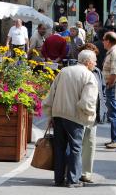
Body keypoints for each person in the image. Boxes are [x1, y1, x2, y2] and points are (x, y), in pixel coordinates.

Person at [42, 50, 98, 188]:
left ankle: (59, 179)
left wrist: (50, 113)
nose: (95, 64)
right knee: (75, 148)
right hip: (75, 116)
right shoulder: (89, 76)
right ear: (88, 62)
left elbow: (51, 94)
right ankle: (73, 180)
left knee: (60, 147)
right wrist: (90, 116)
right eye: (95, 61)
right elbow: (87, 102)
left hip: (58, 113)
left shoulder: (64, 71)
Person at [77, 43, 107, 184]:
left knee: (89, 143)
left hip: (93, 113)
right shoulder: (76, 71)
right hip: (78, 112)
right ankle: (73, 171)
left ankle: (86, 173)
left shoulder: (97, 72)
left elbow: (102, 90)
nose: (95, 62)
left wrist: (103, 109)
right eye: (93, 59)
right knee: (76, 143)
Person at [102, 31, 116, 149]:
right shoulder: (112, 51)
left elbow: (114, 72)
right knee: (112, 112)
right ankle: (115, 138)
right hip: (110, 85)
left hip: (112, 86)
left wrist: (109, 85)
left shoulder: (114, 52)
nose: (103, 42)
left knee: (114, 112)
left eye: (104, 39)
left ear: (108, 41)